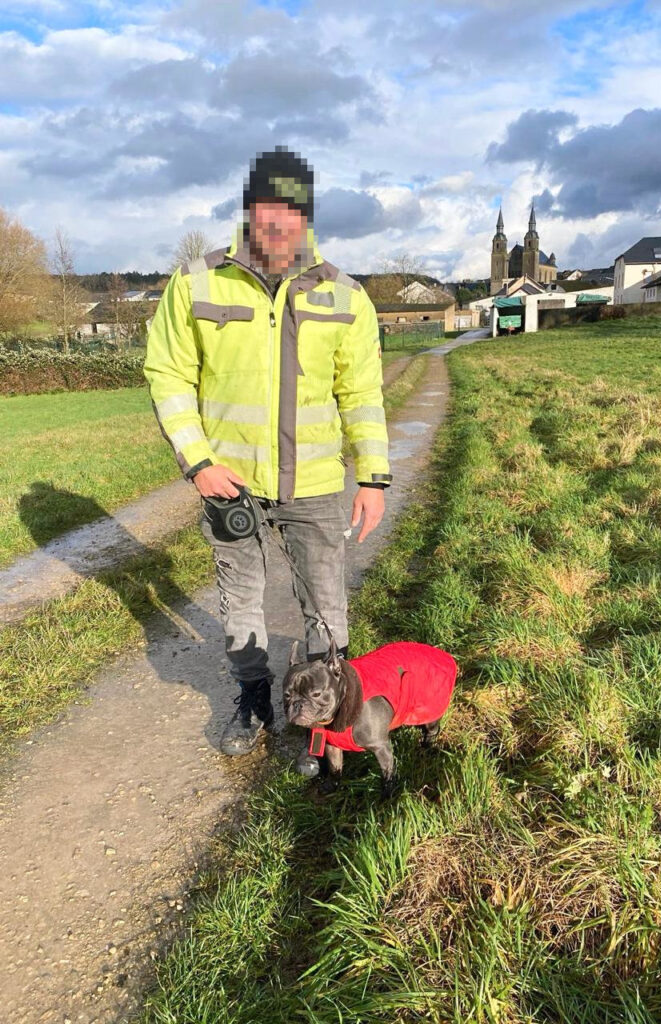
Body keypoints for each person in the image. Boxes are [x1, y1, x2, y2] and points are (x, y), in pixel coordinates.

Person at [143, 148, 391, 770]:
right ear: (249, 210)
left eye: (291, 211)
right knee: (241, 603)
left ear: (307, 216)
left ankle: (325, 719)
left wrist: (373, 477)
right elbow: (168, 375)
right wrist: (198, 462)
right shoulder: (195, 282)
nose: (277, 224)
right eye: (266, 209)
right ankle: (255, 697)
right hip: (230, 484)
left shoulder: (346, 294)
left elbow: (361, 393)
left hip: (313, 484)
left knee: (325, 607)